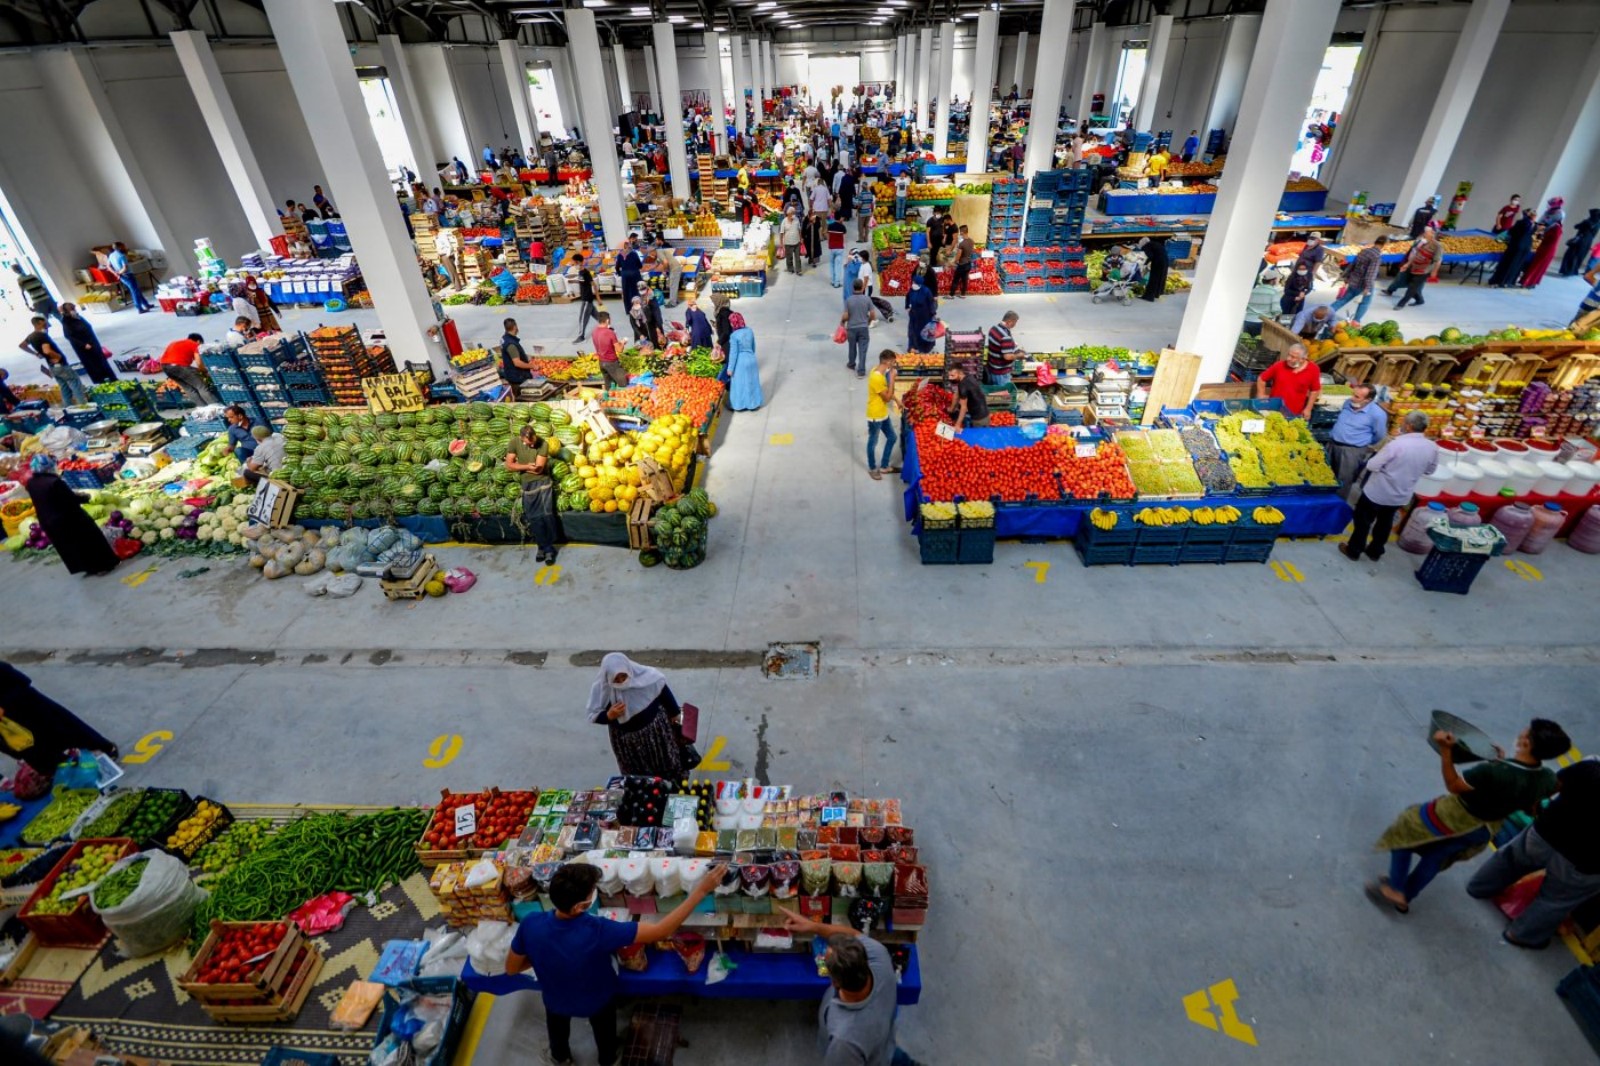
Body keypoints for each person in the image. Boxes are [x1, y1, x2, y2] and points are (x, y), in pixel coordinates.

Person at [506, 861, 727, 1066]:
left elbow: (511, 968)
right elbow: (662, 931)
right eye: (592, 891)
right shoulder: (598, 931)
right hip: (597, 999)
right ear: (578, 907)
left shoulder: (530, 923)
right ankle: (608, 1059)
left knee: (557, 1026)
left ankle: (560, 1057)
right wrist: (701, 890)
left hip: (554, 999)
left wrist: (547, 957)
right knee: (604, 1031)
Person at [1369, 719, 1569, 915]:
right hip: (1484, 829)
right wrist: (1501, 762)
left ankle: (1395, 888)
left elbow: (1454, 785)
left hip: (1456, 817)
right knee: (1436, 857)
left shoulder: (1490, 772)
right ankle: (1405, 897)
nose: (1522, 732)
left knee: (1403, 832)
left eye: (1526, 732)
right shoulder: (1548, 778)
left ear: (1527, 743)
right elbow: (1529, 802)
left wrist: (1446, 750)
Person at [1466, 754, 1600, 949]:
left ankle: (1479, 886)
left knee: (1511, 858)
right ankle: (1520, 934)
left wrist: (1535, 808)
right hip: (1582, 861)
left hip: (1546, 831)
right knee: (1556, 899)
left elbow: (1553, 785)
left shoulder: (1592, 767)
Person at [780, 912, 924, 1066]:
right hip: (885, 1046)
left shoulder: (845, 1042)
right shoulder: (879, 955)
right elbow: (855, 935)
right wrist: (813, 926)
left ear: (835, 982)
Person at [1340, 411, 1437, 562]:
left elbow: (1372, 465)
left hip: (1378, 491)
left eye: (1404, 422)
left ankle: (1354, 550)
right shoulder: (1432, 447)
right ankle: (1375, 551)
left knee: (1363, 521)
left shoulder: (1397, 444)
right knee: (1385, 523)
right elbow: (1430, 470)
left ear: (1409, 426)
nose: (1402, 425)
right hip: (1400, 494)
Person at [0, 660, 118, 774]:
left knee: (53, 722)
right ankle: (59, 766)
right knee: (37, 737)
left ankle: (97, 749)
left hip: (13, 694)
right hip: (11, 699)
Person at [587, 653, 692, 779]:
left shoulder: (646, 677)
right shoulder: (603, 690)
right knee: (638, 777)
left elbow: (663, 692)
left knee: (667, 764)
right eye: (616, 679)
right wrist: (609, 716)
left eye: (623, 676)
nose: (621, 681)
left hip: (657, 734)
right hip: (627, 742)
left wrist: (676, 716)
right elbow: (593, 715)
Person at [22, 454, 119, 577]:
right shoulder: (54, 482)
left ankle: (87, 568)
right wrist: (85, 497)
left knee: (70, 546)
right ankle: (103, 566)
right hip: (67, 518)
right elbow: (70, 499)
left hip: (48, 521)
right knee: (89, 539)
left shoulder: (31, 482)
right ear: (48, 467)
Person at [505, 423, 559, 564]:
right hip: (527, 485)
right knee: (534, 517)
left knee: (546, 516)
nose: (532, 445)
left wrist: (521, 467)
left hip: (543, 484)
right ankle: (541, 546)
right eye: (528, 444)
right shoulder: (514, 443)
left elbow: (539, 470)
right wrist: (527, 466)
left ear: (535, 436)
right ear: (522, 439)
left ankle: (548, 549)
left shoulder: (543, 444)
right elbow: (509, 465)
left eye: (533, 442)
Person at [1323, 384, 1387, 491]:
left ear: (1368, 400)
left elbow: (1379, 435)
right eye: (1353, 394)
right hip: (1332, 444)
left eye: (1357, 397)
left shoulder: (1377, 414)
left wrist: (1362, 442)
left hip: (1351, 451)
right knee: (1325, 474)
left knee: (1343, 480)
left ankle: (1338, 504)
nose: (1352, 398)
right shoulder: (1348, 402)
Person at [20, 316, 85, 406]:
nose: (47, 324)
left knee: (64, 387)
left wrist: (36, 353)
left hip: (52, 366)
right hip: (60, 364)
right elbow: (47, 350)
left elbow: (22, 345)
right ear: (38, 323)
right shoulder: (42, 336)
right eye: (44, 322)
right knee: (75, 383)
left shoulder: (31, 336)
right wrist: (57, 356)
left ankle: (68, 407)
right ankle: (83, 405)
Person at [1328, 235, 1388, 323]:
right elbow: (1370, 274)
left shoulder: (1364, 251)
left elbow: (1353, 264)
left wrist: (1346, 276)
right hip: (1363, 284)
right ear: (1384, 244)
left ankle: (1327, 312)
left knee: (1344, 299)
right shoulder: (1376, 256)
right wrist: (1368, 287)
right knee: (1365, 303)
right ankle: (1356, 321)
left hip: (1353, 280)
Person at [1255, 342, 1321, 418]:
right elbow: (1261, 379)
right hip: (1273, 410)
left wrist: (1308, 409)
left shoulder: (1313, 369)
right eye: (1288, 355)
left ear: (1303, 359)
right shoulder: (1279, 365)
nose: (1288, 358)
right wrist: (1261, 395)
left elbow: (1315, 390)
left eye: (1293, 357)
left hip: (1294, 413)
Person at [58, 303, 115, 385]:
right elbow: (69, 336)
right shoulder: (66, 321)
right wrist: (83, 344)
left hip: (93, 342)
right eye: (72, 310)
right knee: (93, 364)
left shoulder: (78, 317)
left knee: (102, 360)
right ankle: (101, 380)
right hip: (84, 347)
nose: (75, 311)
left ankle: (111, 377)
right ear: (67, 312)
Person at [865, 349, 899, 482]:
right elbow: (887, 397)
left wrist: (897, 400)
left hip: (883, 413)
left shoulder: (877, 369)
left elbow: (887, 394)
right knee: (873, 442)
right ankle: (873, 468)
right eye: (893, 362)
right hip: (875, 415)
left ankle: (884, 466)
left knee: (892, 437)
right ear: (888, 362)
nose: (894, 365)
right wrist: (892, 379)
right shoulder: (876, 378)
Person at [1387, 224, 1441, 308]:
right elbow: (1415, 255)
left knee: (1412, 287)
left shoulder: (1437, 246)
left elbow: (1438, 260)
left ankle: (1400, 304)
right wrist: (1407, 264)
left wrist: (1434, 272)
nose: (1424, 233)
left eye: (1426, 232)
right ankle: (1420, 300)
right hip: (1414, 266)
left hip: (1424, 270)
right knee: (1409, 284)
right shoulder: (1423, 242)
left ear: (1432, 233)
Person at [159, 333, 219, 406]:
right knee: (201, 387)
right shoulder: (195, 344)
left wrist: (198, 370)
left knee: (188, 389)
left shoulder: (174, 343)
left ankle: (203, 408)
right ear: (198, 341)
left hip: (165, 367)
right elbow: (199, 363)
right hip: (178, 366)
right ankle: (216, 406)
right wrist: (205, 371)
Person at [1520, 197, 1565, 287]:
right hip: (1544, 244)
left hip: (1547, 247)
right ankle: (1528, 281)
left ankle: (1528, 282)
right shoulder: (1548, 214)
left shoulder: (1557, 224)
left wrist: (1542, 232)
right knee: (1535, 264)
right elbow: (1541, 222)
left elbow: (1545, 227)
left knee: (1537, 265)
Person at [1488, 208, 1536, 287]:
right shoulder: (1534, 225)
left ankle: (1500, 281)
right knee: (1516, 265)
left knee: (1507, 264)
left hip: (1516, 245)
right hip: (1526, 246)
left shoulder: (1520, 222)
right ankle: (1509, 282)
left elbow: (1512, 232)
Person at [725, 312, 762, 411]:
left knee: (739, 384)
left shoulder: (734, 336)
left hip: (740, 362)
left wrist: (730, 369)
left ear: (733, 323)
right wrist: (750, 355)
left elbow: (733, 354)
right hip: (751, 359)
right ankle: (753, 404)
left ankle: (739, 405)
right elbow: (753, 346)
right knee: (751, 382)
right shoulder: (749, 331)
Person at [841, 280, 876, 377]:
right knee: (862, 350)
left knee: (852, 348)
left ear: (853, 287)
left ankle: (851, 364)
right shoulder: (867, 299)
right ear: (862, 287)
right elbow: (873, 315)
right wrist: (868, 322)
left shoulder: (849, 300)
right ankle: (861, 371)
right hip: (863, 328)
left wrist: (842, 322)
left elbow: (846, 316)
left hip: (851, 328)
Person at [106, 242, 152, 313]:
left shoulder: (111, 255)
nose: (125, 247)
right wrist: (119, 273)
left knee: (137, 290)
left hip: (121, 276)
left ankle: (146, 304)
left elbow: (108, 266)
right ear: (120, 247)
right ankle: (139, 308)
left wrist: (115, 273)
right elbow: (125, 268)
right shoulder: (122, 256)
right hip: (127, 275)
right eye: (123, 246)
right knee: (135, 292)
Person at [1559, 208, 1600, 277]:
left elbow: (1576, 226)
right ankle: (1572, 271)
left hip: (1580, 238)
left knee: (1572, 254)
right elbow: (1594, 234)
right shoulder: (1598, 223)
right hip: (1587, 240)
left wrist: (1583, 224)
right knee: (1579, 256)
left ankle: (1567, 271)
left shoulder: (1587, 221)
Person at [985, 311, 1021, 388]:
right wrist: (1019, 355)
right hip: (1001, 373)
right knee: (1003, 395)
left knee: (995, 392)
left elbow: (998, 343)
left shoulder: (994, 328)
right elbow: (1007, 357)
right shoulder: (1005, 336)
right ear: (1009, 322)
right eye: (1015, 322)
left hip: (992, 367)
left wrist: (1012, 345)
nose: (1015, 325)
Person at [947, 361, 989, 428]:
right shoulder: (968, 377)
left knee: (978, 436)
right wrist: (951, 409)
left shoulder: (963, 385)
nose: (950, 378)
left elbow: (963, 408)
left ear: (960, 373)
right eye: (949, 375)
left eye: (952, 376)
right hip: (985, 413)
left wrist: (957, 424)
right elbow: (956, 395)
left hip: (978, 418)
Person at [591, 311, 626, 389]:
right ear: (607, 320)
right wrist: (623, 343)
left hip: (601, 362)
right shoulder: (610, 333)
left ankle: (607, 398)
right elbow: (619, 350)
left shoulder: (594, 331)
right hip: (612, 363)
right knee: (622, 384)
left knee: (608, 386)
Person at [906, 272, 938, 355]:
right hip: (914, 315)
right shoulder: (911, 289)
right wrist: (907, 307)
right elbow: (908, 297)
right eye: (913, 282)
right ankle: (913, 347)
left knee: (924, 332)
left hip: (925, 316)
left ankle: (924, 348)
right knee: (913, 331)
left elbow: (931, 303)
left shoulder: (926, 291)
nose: (913, 284)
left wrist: (933, 313)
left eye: (915, 283)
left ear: (919, 284)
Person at [500, 317, 535, 391]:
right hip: (518, 378)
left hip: (511, 374)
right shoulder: (511, 344)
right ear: (515, 327)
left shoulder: (504, 338)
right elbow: (517, 363)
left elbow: (509, 355)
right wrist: (532, 366)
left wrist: (525, 357)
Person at [571, 255, 598, 342]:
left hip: (587, 299)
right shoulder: (580, 272)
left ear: (579, 262)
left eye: (575, 263)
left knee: (582, 318)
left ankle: (581, 336)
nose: (574, 264)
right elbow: (582, 281)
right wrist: (573, 281)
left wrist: (598, 298)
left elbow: (594, 285)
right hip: (585, 298)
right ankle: (608, 326)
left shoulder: (586, 273)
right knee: (596, 315)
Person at [615, 237, 643, 313]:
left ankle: (628, 310)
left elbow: (617, 266)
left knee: (626, 292)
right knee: (636, 291)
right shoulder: (634, 253)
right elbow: (640, 265)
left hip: (625, 275)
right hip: (635, 274)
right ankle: (638, 308)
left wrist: (620, 273)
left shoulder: (620, 255)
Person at [1137, 234, 1168, 302]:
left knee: (1153, 279)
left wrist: (1143, 263)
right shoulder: (1154, 243)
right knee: (1160, 278)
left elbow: (1150, 256)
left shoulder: (1147, 246)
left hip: (1158, 262)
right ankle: (1156, 294)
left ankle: (1149, 296)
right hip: (1164, 261)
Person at [1570, 265, 1600, 332]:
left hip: (1590, 304)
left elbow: (1588, 277)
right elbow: (1588, 277)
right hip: (1592, 306)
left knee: (1574, 329)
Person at [950, 226, 975, 298]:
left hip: (962, 264)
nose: (959, 233)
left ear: (962, 232)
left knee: (956, 279)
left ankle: (951, 295)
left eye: (959, 232)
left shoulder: (962, 244)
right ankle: (963, 294)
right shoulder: (971, 241)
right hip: (968, 263)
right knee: (965, 280)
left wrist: (954, 262)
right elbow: (971, 251)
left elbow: (958, 255)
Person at [827, 210, 849, 288]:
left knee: (832, 265)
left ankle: (832, 281)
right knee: (838, 266)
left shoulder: (830, 226)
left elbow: (828, 236)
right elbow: (845, 235)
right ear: (840, 218)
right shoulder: (842, 227)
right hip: (839, 248)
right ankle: (837, 283)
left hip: (832, 248)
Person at [780, 207, 805, 275]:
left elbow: (799, 230)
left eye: (794, 213)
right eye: (792, 213)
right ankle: (790, 268)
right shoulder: (784, 221)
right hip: (788, 243)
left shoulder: (796, 219)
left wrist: (801, 238)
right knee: (789, 257)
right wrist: (781, 243)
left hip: (797, 242)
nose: (794, 214)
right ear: (788, 213)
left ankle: (798, 270)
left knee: (797, 257)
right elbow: (781, 233)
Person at [855, 176, 876, 242]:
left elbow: (860, 204)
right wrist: (872, 211)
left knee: (860, 226)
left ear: (862, 187)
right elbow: (872, 204)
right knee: (867, 226)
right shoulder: (870, 194)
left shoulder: (861, 194)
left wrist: (857, 211)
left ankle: (861, 239)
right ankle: (866, 239)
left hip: (862, 213)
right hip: (868, 212)